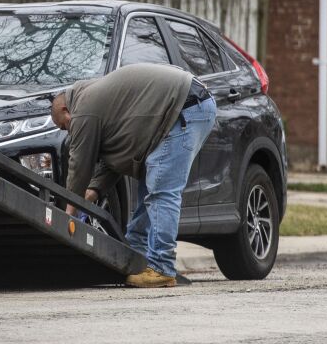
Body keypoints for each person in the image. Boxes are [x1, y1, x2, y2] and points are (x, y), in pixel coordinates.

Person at [50, 63, 217, 288]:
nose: (67, 131)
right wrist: (91, 194)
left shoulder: (84, 110)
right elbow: (110, 164)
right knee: (151, 190)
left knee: (161, 192)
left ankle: (161, 268)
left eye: (63, 126)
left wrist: (69, 214)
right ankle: (136, 256)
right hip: (190, 106)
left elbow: (79, 167)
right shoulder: (97, 101)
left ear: (64, 110)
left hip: (184, 108)